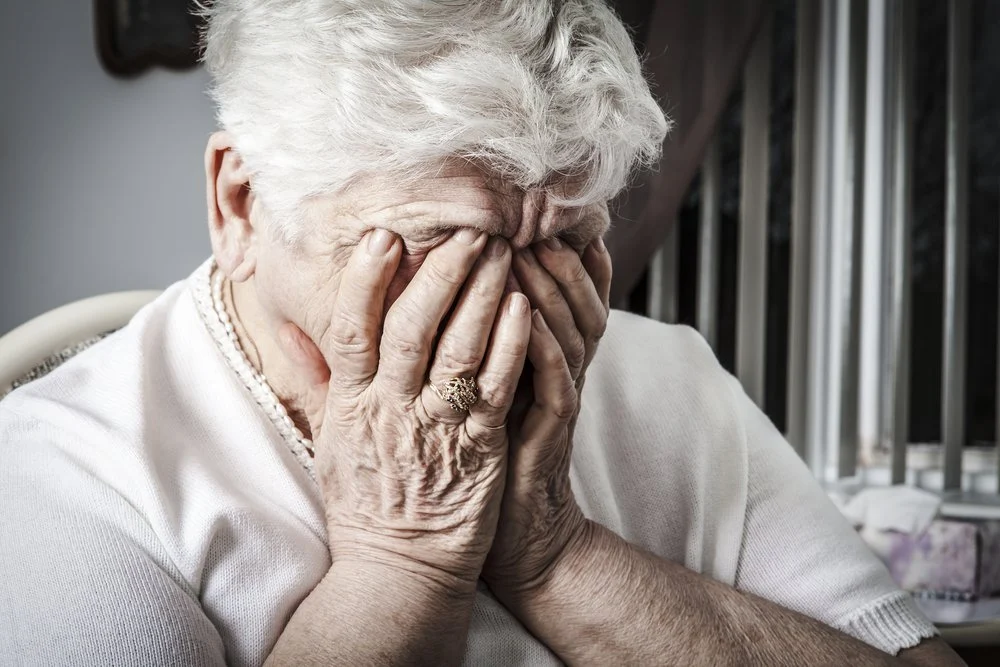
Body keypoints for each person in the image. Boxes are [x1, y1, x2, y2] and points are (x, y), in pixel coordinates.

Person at [0, 1, 964, 665]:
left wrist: (558, 552)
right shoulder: (64, 469)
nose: (509, 312)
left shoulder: (673, 379)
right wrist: (401, 557)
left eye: (564, 242)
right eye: (447, 246)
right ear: (242, 205)